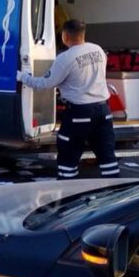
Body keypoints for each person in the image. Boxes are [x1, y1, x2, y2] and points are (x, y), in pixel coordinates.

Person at [19, 19, 118, 179]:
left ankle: (67, 194)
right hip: (103, 111)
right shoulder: (98, 50)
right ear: (83, 34)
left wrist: (23, 77)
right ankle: (116, 192)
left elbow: (45, 83)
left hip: (80, 114)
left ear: (65, 36)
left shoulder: (66, 58)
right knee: (107, 155)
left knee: (68, 155)